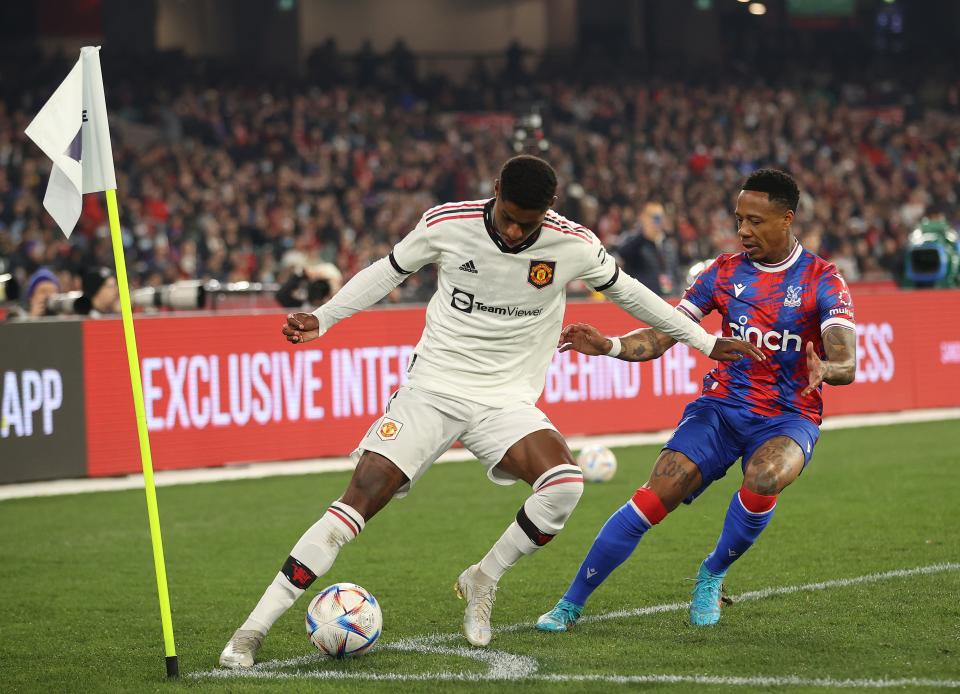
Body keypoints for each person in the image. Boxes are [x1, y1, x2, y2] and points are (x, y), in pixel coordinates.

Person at [219, 155, 762, 668]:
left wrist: (704, 342)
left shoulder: (570, 244)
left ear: (546, 211)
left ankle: (484, 578)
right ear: (495, 192)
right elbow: (386, 272)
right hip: (432, 388)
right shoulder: (446, 224)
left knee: (564, 485)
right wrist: (324, 318)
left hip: (505, 398)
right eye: (508, 218)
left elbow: (633, 295)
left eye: (529, 224)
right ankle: (252, 630)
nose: (515, 233)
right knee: (355, 504)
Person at [536, 168, 857, 632]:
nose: (743, 230)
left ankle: (713, 572)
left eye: (755, 221)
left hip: (789, 416)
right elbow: (664, 335)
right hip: (722, 408)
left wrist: (828, 368)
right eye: (738, 219)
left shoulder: (823, 279)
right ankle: (570, 603)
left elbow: (846, 358)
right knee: (655, 495)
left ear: (787, 219)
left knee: (765, 477)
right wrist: (607, 345)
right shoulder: (722, 274)